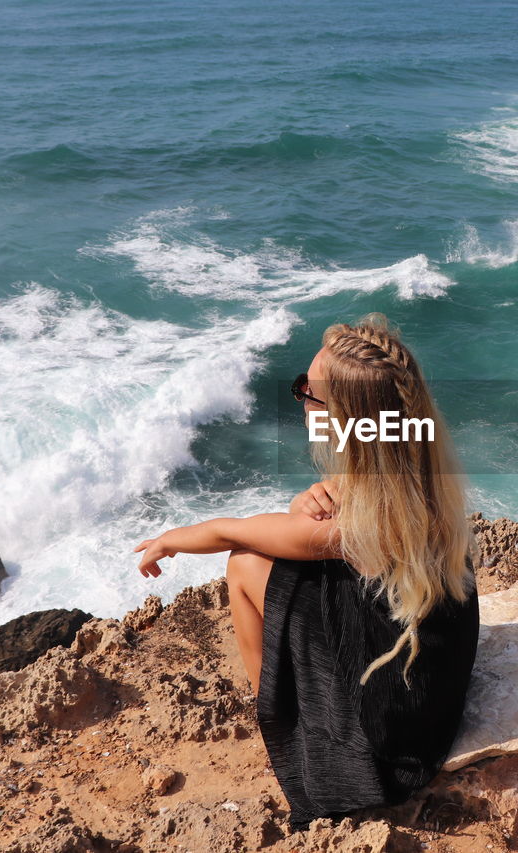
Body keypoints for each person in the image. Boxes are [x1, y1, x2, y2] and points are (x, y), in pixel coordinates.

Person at [132, 312, 480, 830]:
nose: (301, 399)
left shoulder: (360, 524)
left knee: (246, 566)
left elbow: (235, 533)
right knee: (276, 563)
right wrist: (306, 501)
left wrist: (168, 541)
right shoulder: (416, 470)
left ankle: (277, 713)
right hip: (434, 681)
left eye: (309, 393)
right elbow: (311, 523)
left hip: (398, 732)